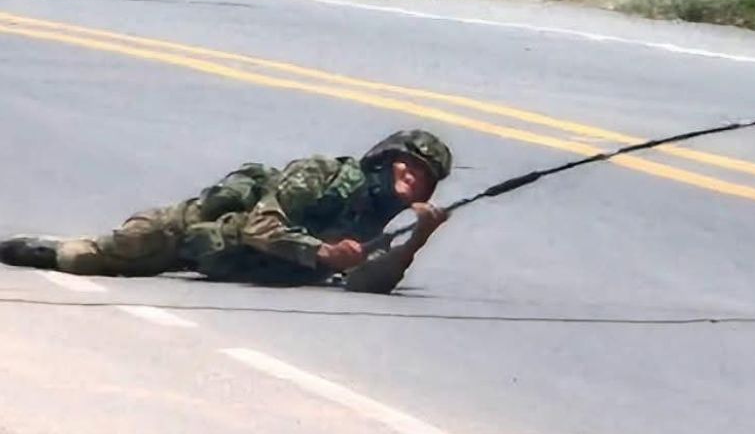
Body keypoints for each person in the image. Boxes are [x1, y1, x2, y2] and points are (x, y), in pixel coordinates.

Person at [0, 129, 452, 294]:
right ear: (383, 160)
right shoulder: (322, 174)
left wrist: (416, 240)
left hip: (234, 263)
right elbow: (260, 227)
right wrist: (323, 253)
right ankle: (16, 249)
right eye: (408, 165)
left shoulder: (377, 219)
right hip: (200, 233)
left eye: (425, 177)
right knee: (87, 257)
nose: (414, 177)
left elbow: (365, 283)